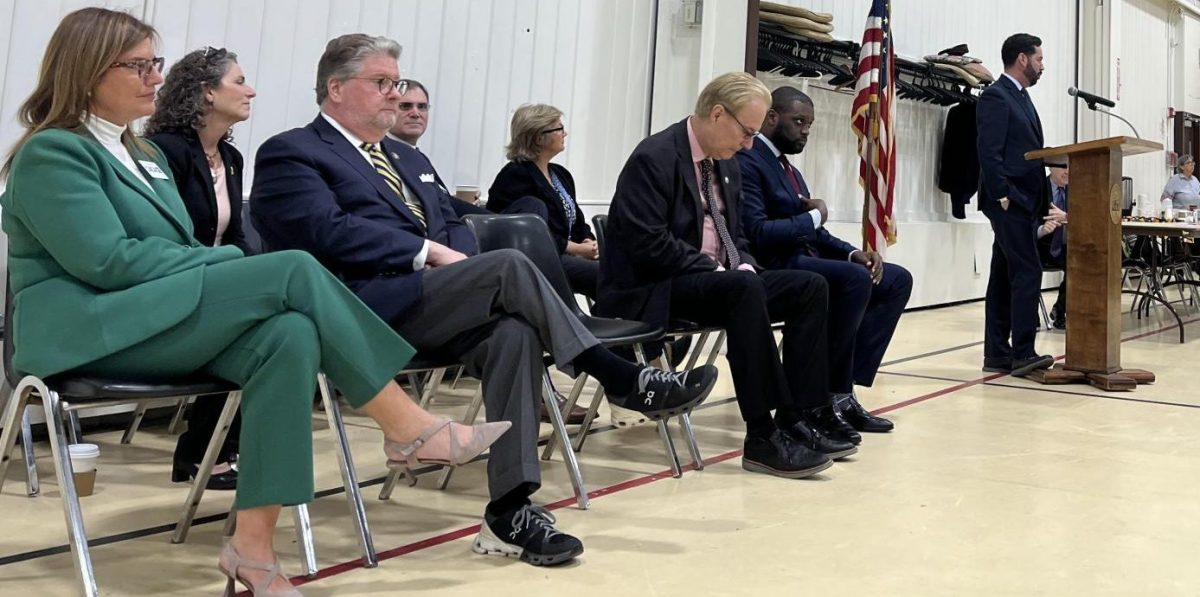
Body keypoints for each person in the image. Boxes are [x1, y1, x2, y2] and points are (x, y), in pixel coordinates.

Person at [1, 10, 508, 596]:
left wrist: (215, 262)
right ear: (87, 72)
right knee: (289, 267)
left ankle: (253, 549)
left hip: (151, 317)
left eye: (155, 64)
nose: (155, 78)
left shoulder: (146, 156)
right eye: (138, 65)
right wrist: (228, 264)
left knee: (288, 334)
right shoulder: (53, 153)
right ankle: (406, 425)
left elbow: (178, 248)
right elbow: (109, 262)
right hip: (89, 329)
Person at [250, 34, 718, 567]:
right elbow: (323, 232)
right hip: (353, 309)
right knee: (509, 267)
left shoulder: (404, 156)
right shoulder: (292, 151)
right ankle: (618, 377)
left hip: (426, 303)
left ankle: (510, 511)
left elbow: (455, 220)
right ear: (335, 89)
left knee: (512, 334)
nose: (393, 95)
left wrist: (455, 255)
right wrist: (430, 253)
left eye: (396, 83)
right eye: (381, 83)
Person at [596, 72, 860, 481]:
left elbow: (736, 233)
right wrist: (721, 270)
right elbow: (648, 244)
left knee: (808, 286)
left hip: (720, 280)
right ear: (718, 114)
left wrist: (745, 263)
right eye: (747, 132)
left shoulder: (728, 164)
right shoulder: (655, 157)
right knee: (741, 288)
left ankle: (800, 415)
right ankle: (761, 434)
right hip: (657, 286)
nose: (750, 144)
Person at [737, 86, 911, 433]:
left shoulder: (789, 170)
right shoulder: (749, 161)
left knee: (894, 279)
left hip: (806, 258)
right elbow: (757, 232)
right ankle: (831, 392)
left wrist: (852, 252)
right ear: (772, 118)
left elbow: (815, 230)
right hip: (776, 265)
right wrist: (815, 218)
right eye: (798, 122)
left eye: (810, 125)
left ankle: (844, 387)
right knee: (853, 280)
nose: (805, 131)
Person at [143, 46, 256, 491]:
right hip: (179, 277)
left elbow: (237, 235)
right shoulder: (164, 152)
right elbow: (166, 234)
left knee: (273, 317)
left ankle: (214, 451)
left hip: (219, 274)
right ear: (208, 93)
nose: (251, 90)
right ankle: (204, 451)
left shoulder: (230, 158)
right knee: (254, 322)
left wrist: (247, 266)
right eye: (239, 81)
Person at [976, 33, 1055, 377]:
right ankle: (1023, 352)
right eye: (1038, 59)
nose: (1042, 65)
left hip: (1025, 200)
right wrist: (1002, 194)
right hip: (1010, 201)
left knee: (1002, 277)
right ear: (1022, 59)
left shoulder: (1019, 96)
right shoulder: (996, 95)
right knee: (1027, 271)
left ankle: (996, 352)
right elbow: (988, 150)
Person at [488, 104, 599, 299]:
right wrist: (577, 249)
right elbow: (532, 233)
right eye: (559, 128)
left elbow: (577, 220)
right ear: (539, 137)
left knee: (624, 268)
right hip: (543, 258)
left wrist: (588, 240)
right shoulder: (515, 175)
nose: (565, 133)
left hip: (569, 253)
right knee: (606, 275)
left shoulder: (561, 174)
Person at [385, 79, 488, 217]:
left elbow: (440, 201)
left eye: (422, 107)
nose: (415, 113)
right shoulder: (383, 155)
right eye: (405, 106)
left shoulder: (417, 155)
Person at [1037, 164, 1069, 329]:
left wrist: (1068, 217)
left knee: (1078, 267)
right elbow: (1027, 220)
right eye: (1064, 167)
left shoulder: (1077, 189)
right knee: (1028, 264)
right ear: (1051, 168)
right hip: (1039, 244)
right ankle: (1030, 313)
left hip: (1064, 247)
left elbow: (1087, 216)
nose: (1068, 171)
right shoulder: (1038, 187)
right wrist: (1041, 230)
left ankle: (1060, 310)